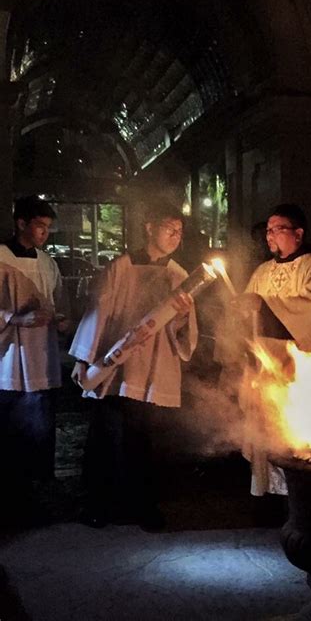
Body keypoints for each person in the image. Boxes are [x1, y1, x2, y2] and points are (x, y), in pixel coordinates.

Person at [69, 201, 198, 529]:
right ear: (149, 227)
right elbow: (98, 312)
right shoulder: (120, 267)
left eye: (180, 232)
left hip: (154, 368)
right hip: (116, 367)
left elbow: (182, 334)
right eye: (169, 229)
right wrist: (85, 358)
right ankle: (98, 504)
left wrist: (182, 317)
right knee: (106, 437)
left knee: (144, 440)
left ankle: (144, 506)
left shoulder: (180, 277)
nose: (175, 236)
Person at [235, 204, 311, 496]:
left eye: (277, 229)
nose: (270, 236)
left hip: (300, 370)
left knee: (298, 433)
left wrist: (262, 306)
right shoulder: (262, 272)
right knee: (267, 431)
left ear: (298, 234)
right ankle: (270, 496)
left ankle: (306, 496)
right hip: (266, 368)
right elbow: (250, 318)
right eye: (268, 230)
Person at [0, 195, 68, 523]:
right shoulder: (0, 257)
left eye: (47, 228)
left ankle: (39, 492)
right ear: (21, 223)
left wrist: (61, 318)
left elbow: (57, 301)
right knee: (12, 430)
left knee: (41, 429)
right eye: (39, 226)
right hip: (9, 359)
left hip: (43, 356)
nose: (44, 234)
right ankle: (12, 497)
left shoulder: (47, 262)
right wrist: (14, 319)